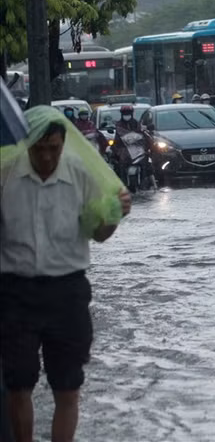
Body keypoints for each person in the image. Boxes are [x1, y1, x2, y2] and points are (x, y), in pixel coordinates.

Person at [0, 106, 131, 442]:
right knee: (18, 385)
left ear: (63, 143)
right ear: (26, 145)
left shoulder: (79, 173)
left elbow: (97, 234)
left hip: (68, 292)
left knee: (68, 387)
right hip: (16, 292)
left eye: (53, 148)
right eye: (39, 149)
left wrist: (114, 216)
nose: (46, 157)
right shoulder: (6, 175)